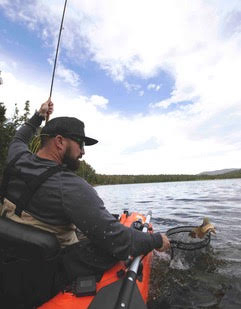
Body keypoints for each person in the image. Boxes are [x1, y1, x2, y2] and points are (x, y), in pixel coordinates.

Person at [0, 98, 170, 285]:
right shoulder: (70, 186)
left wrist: (39, 116)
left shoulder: (17, 157)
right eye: (80, 143)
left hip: (12, 254)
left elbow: (20, 137)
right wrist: (155, 240)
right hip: (46, 271)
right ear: (59, 142)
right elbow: (116, 240)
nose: (83, 152)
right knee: (106, 248)